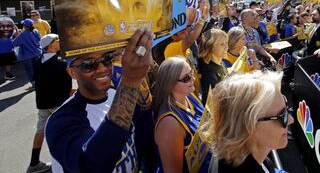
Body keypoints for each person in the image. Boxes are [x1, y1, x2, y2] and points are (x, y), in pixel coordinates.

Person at [45, 27, 153, 172]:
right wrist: (131, 80)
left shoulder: (117, 95)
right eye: (89, 64)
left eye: (107, 59)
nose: (102, 69)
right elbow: (91, 166)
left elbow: (144, 140)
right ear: (72, 72)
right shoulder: (60, 120)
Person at [203, 71, 293, 172]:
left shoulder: (234, 155)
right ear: (248, 126)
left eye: (287, 109)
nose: (291, 120)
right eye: (282, 116)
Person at [153, 57, 211, 173]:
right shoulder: (169, 124)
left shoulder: (188, 95)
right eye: (186, 78)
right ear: (170, 84)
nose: (193, 79)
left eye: (191, 73)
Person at [27, 34, 72, 173]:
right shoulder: (60, 62)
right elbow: (68, 82)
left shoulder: (37, 60)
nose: (60, 41)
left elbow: (37, 79)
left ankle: (34, 163)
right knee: (68, 132)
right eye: (58, 39)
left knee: (41, 131)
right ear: (51, 44)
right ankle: (69, 164)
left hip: (42, 102)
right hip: (58, 103)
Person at [198, 29, 228, 105]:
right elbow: (211, 102)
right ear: (211, 46)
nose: (227, 47)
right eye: (222, 44)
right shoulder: (208, 72)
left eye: (226, 43)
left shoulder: (221, 62)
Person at [13, 19, 42, 90]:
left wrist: (17, 34)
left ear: (25, 26)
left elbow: (14, 43)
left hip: (27, 56)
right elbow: (39, 39)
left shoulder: (23, 34)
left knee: (29, 71)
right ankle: (39, 83)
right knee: (37, 69)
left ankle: (34, 85)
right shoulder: (36, 31)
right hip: (37, 53)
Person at [0, 16, 17, 81]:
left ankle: (8, 74)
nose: (5, 28)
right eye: (2, 25)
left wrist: (16, 29)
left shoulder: (13, 30)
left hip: (9, 50)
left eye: (8, 25)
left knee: (8, 63)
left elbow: (16, 37)